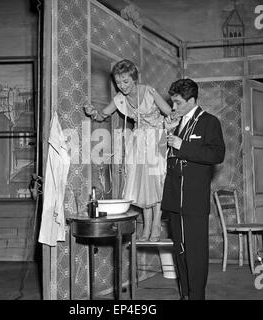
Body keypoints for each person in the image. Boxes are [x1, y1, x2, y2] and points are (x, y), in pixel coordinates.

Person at [85, 59, 172, 241]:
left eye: (126, 81)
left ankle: (156, 225)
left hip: (156, 140)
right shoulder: (120, 99)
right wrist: (93, 112)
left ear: (134, 79)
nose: (122, 86)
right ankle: (146, 227)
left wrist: (165, 129)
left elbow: (170, 112)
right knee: (142, 185)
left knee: (157, 183)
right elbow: (102, 115)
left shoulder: (149, 91)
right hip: (139, 142)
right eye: (118, 83)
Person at [162, 78, 225, 300]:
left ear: (191, 100)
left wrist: (183, 145)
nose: (173, 107)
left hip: (194, 200)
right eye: (173, 102)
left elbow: (217, 154)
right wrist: (167, 135)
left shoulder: (209, 122)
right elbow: (166, 160)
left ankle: (197, 296)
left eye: (178, 102)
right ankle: (185, 295)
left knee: (196, 254)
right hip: (174, 199)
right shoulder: (176, 123)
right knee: (180, 251)